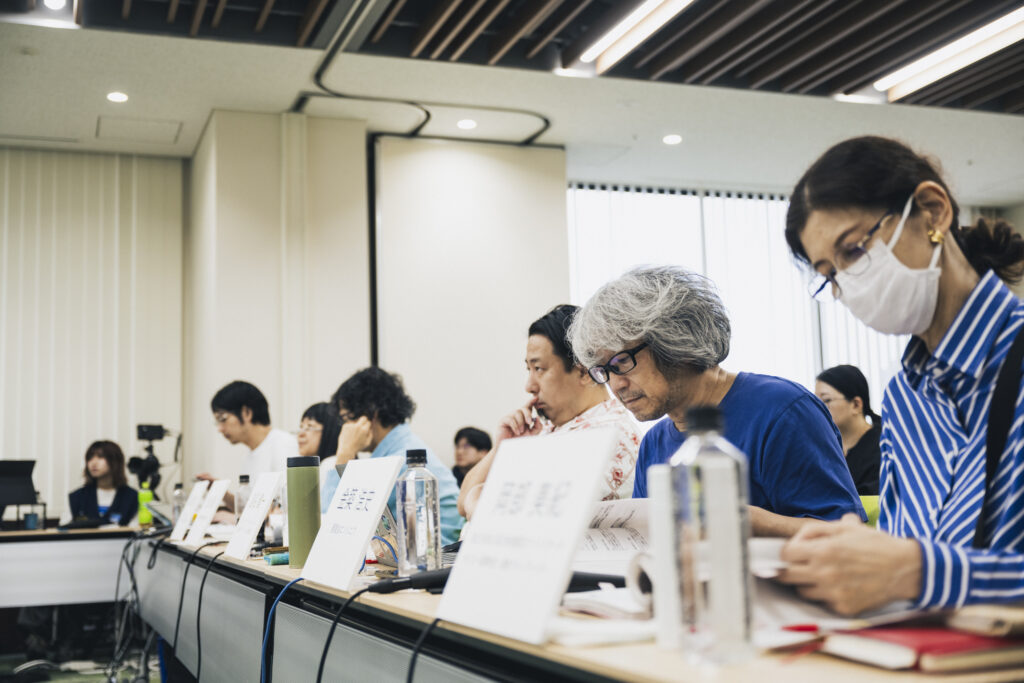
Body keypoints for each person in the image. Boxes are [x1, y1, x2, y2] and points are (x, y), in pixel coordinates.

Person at [777, 135, 1024, 615]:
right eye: (830, 275)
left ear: (932, 212)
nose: (847, 285)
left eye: (853, 250)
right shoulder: (904, 399)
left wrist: (919, 573)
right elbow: (899, 554)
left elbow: (913, 569)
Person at [568, 266, 864, 537]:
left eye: (621, 362)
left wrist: (748, 521)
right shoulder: (654, 444)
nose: (616, 385)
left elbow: (847, 537)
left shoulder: (782, 412)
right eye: (603, 372)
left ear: (675, 339)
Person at [458, 305, 641, 519]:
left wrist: (477, 499)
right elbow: (463, 505)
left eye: (539, 369)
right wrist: (501, 449)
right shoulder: (553, 429)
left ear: (583, 371)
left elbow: (519, 520)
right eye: (529, 370)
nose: (529, 386)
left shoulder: (609, 436)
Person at [321, 367, 462, 545]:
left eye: (347, 418)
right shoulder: (402, 448)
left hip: (431, 557)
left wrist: (344, 453)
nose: (344, 427)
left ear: (370, 413)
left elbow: (334, 524)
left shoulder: (397, 461)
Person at [200, 380, 298, 511]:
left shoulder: (283, 443)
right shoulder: (251, 454)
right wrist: (220, 491)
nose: (220, 429)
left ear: (246, 413)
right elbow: (248, 508)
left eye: (223, 419)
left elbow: (288, 506)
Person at [815, 365, 880, 495]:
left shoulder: (883, 445)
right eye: (816, 402)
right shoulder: (823, 449)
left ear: (856, 404)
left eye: (826, 400)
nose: (818, 408)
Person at [63, 441, 137, 526]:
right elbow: (63, 528)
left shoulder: (132, 497)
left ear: (115, 461)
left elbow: (137, 529)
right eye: (90, 458)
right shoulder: (77, 497)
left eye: (100, 457)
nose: (93, 463)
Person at [296, 402, 342, 490]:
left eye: (309, 427)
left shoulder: (331, 464)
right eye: (301, 427)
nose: (301, 434)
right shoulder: (315, 468)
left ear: (328, 431)